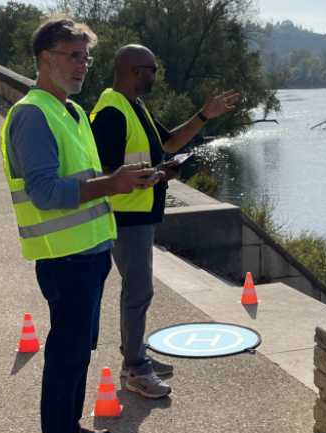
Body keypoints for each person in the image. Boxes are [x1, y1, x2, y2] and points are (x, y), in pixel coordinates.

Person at [0, 18, 160, 433]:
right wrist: (112, 185)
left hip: (89, 252)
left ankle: (66, 432)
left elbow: (88, 179)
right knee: (67, 356)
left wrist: (124, 180)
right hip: (64, 257)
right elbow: (45, 191)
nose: (82, 66)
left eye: (86, 58)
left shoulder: (68, 111)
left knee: (79, 350)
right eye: (73, 56)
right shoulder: (33, 114)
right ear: (46, 58)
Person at [90, 45, 239, 398]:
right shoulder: (112, 111)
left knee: (138, 289)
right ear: (136, 71)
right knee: (139, 290)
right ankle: (136, 368)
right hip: (127, 216)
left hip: (140, 213)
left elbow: (169, 142)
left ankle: (135, 355)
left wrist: (204, 115)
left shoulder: (133, 106)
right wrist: (154, 175)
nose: (157, 75)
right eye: (154, 69)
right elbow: (106, 171)